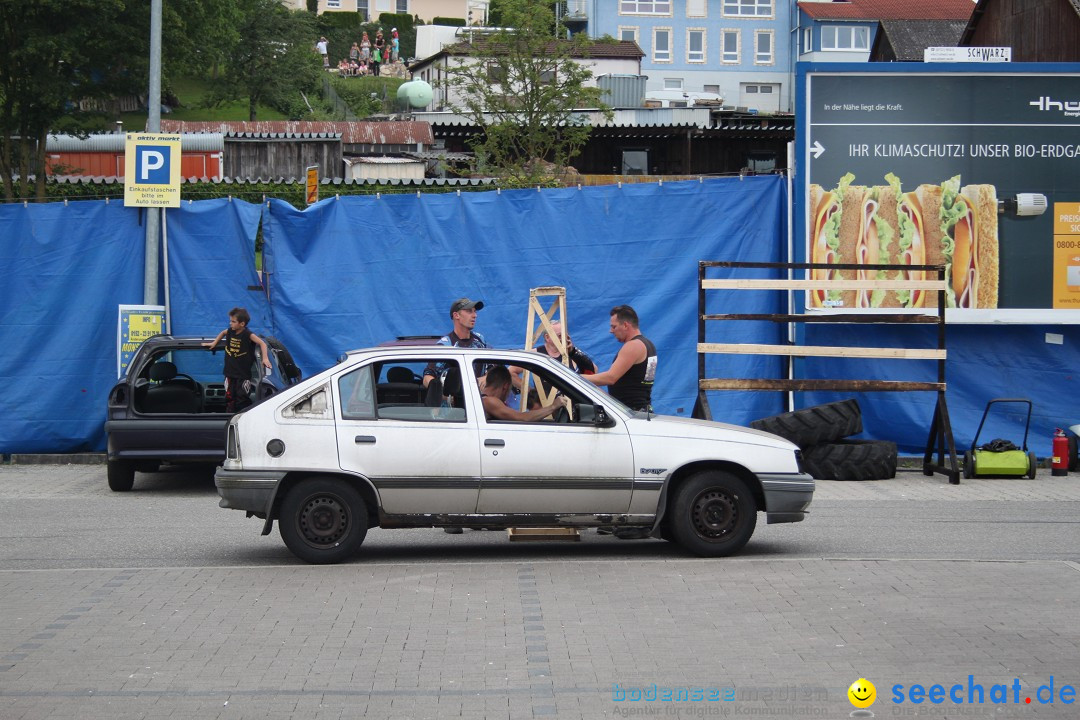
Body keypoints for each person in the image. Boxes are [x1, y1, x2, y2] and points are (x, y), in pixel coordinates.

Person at [583, 305, 656, 412]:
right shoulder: (649, 345)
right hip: (642, 411)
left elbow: (610, 378)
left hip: (632, 414)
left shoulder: (633, 346)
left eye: (614, 327)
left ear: (626, 325)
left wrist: (575, 378)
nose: (611, 331)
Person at [203, 307, 273, 413]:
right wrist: (214, 343)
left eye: (233, 321)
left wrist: (265, 358)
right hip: (229, 373)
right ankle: (229, 415)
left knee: (242, 398)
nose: (230, 323)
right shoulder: (230, 331)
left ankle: (243, 416)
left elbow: (262, 343)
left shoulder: (248, 334)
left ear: (242, 324)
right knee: (229, 398)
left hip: (243, 375)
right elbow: (223, 333)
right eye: (230, 321)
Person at [481, 365, 564, 422]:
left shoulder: (480, 398)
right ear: (505, 387)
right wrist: (553, 407)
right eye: (509, 390)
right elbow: (522, 418)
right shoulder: (489, 401)